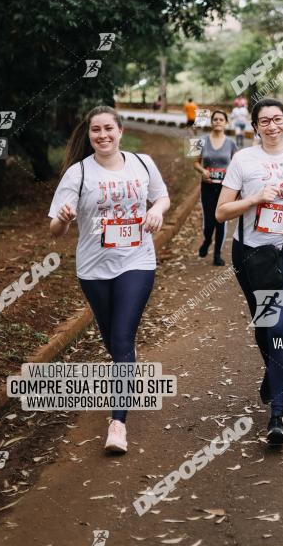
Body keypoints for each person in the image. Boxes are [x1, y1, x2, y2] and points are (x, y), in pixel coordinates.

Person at [48, 106, 170, 454]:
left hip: (137, 260)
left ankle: (118, 423)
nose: (102, 136)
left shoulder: (142, 163)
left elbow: (162, 196)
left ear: (120, 130)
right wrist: (64, 218)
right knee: (115, 344)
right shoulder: (78, 174)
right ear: (89, 136)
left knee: (121, 336)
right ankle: (126, 361)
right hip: (93, 269)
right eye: (95, 131)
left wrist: (156, 211)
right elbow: (55, 231)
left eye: (108, 129)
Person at [216, 98, 283, 445]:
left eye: (278, 119)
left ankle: (277, 414)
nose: (272, 126)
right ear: (255, 126)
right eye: (264, 121)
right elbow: (222, 212)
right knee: (265, 325)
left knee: (279, 325)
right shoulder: (243, 159)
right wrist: (254, 199)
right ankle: (273, 372)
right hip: (253, 255)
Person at [193, 110, 237, 266]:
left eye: (221, 119)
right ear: (211, 122)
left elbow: (236, 164)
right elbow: (195, 162)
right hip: (207, 187)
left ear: (226, 123)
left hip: (225, 188)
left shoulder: (232, 143)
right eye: (215, 119)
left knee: (221, 220)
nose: (218, 121)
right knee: (209, 220)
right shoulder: (200, 140)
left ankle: (217, 254)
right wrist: (203, 171)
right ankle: (206, 240)